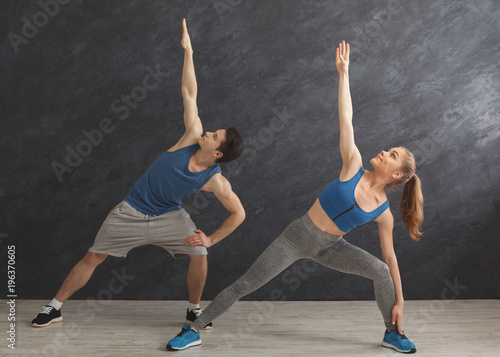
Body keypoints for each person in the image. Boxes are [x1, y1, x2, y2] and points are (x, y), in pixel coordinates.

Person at [166, 41, 423, 353]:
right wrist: (343, 74)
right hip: (297, 237)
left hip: (331, 247)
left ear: (397, 174)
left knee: (380, 272)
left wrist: (401, 298)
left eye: (392, 155)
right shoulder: (352, 164)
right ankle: (193, 328)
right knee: (246, 283)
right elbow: (347, 120)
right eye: (389, 149)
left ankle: (392, 333)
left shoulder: (383, 211)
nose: (384, 151)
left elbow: (390, 258)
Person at [32, 18, 246, 329]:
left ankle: (194, 311)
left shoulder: (214, 181)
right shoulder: (191, 136)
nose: (210, 131)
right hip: (130, 211)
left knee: (200, 253)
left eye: (216, 136)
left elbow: (238, 213)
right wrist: (188, 52)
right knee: (93, 256)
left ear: (217, 154)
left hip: (169, 218)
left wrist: (211, 239)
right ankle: (54, 307)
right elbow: (190, 93)